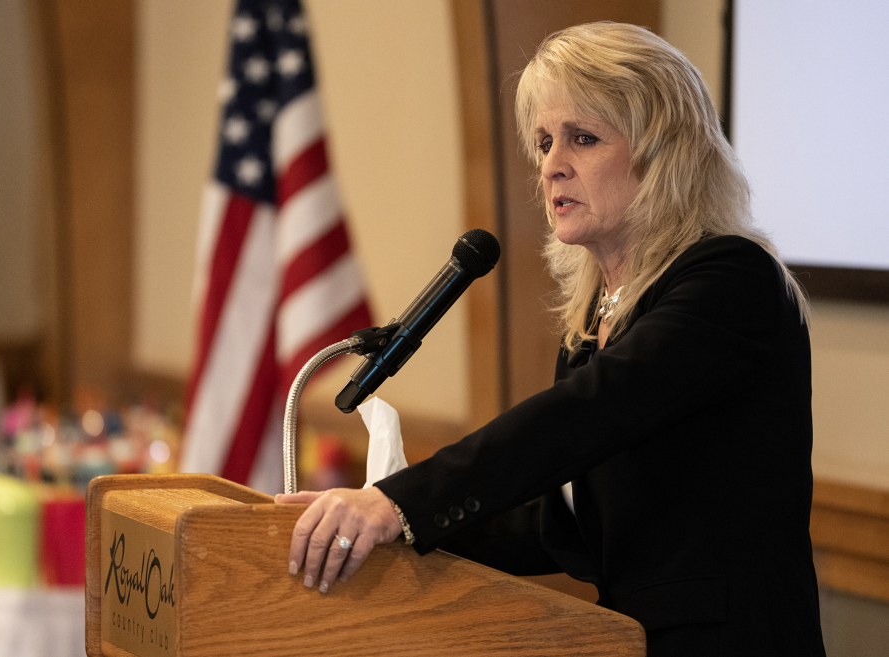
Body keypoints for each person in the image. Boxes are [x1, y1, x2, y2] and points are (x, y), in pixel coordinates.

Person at [276, 22, 827, 656]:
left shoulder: (731, 281)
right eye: (543, 142)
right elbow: (567, 525)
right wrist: (396, 527)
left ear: (663, 151)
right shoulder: (594, 318)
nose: (551, 166)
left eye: (583, 139)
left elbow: (590, 413)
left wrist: (404, 501)